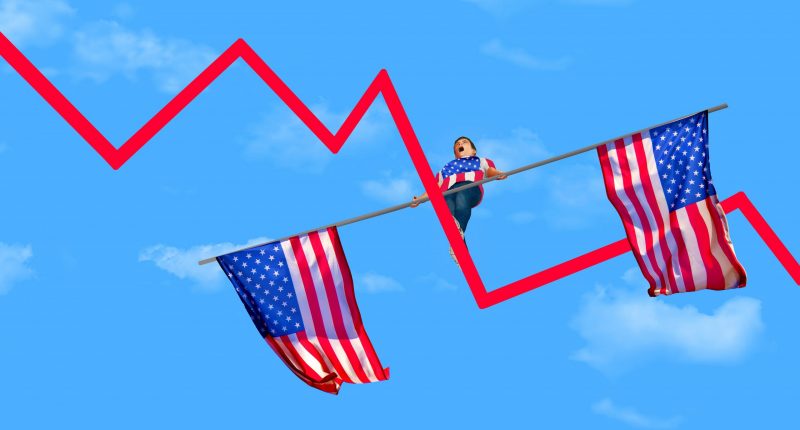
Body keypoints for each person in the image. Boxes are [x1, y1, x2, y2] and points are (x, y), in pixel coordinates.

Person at [410, 136, 506, 264]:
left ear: (473, 150)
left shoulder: (480, 160)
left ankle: (458, 246)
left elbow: (490, 171)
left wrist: (497, 174)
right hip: (447, 192)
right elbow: (433, 188)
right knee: (448, 213)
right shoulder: (445, 169)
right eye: (457, 144)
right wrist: (420, 199)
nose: (460, 144)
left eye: (464, 142)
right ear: (455, 152)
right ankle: (461, 255)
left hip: (469, 187)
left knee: (461, 199)